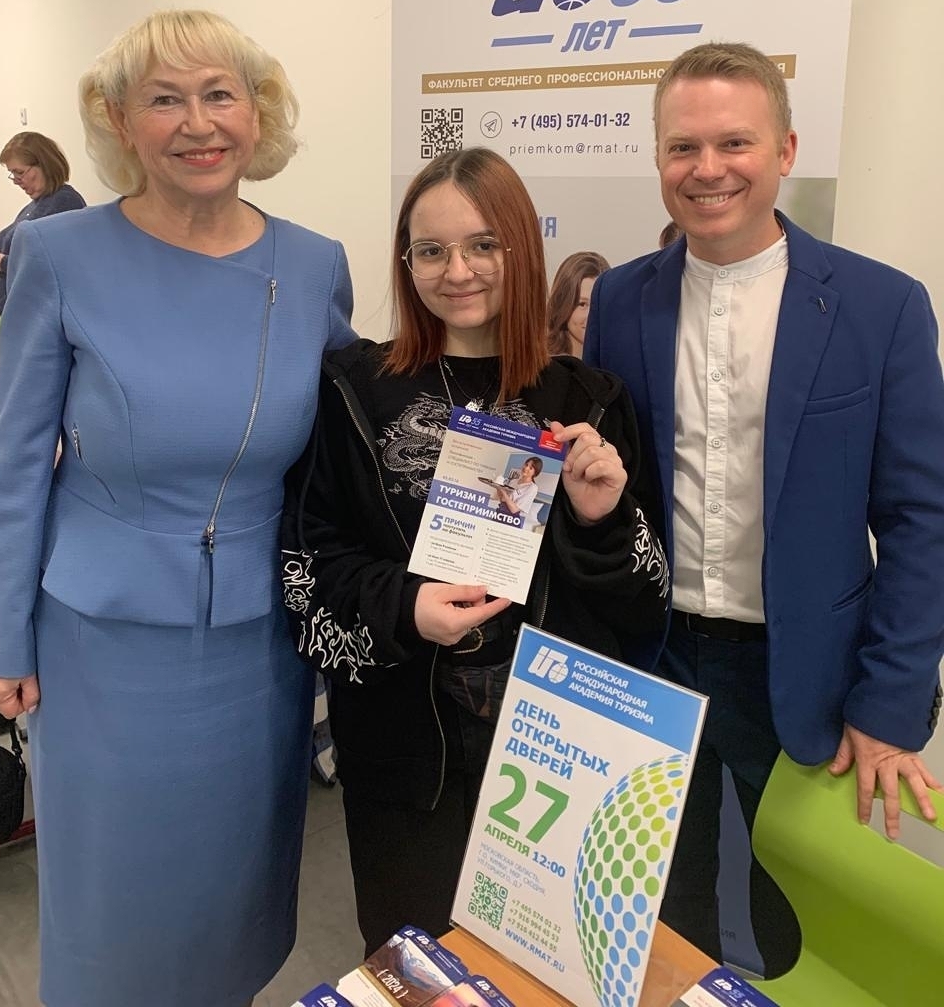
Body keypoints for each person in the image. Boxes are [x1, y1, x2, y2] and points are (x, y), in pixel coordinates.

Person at [0, 9, 354, 1007]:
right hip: (99, 642)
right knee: (116, 905)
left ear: (257, 111)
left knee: (231, 896)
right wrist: (1, 638)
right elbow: (16, 461)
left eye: (220, 94)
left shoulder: (314, 264)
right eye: (164, 99)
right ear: (120, 120)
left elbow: (345, 448)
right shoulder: (59, 254)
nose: (198, 123)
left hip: (260, 643)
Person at [585, 41, 944, 975]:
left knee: (797, 921)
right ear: (658, 157)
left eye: (733, 142)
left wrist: (892, 701)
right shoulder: (620, 300)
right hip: (657, 661)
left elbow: (923, 519)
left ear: (784, 150)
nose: (707, 169)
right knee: (662, 904)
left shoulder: (881, 306)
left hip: (807, 676)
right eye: (683, 147)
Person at [281, 146, 669, 953]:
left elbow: (646, 603)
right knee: (418, 962)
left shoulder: (587, 399)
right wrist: (405, 607)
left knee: (552, 964)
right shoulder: (353, 388)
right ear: (406, 262)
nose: (457, 271)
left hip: (556, 755)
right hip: (405, 749)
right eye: (431, 250)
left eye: (483, 244)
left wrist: (602, 517)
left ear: (521, 248)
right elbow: (306, 568)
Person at [0, 132, 86, 314]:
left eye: (20, 172)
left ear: (45, 164)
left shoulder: (65, 202)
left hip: (39, 318)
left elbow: (57, 266)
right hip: (20, 316)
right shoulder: (37, 205)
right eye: (12, 174)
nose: (16, 181)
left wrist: (3, 263)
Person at [545, 249, 610, 356]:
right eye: (582, 304)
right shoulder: (542, 364)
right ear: (563, 304)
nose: (591, 315)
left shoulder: (619, 360)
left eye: (598, 303)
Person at [488, 454, 541, 527]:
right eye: (526, 464)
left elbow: (514, 510)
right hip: (499, 514)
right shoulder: (514, 481)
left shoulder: (532, 488)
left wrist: (503, 491)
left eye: (530, 468)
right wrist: (497, 487)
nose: (526, 468)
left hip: (511, 520)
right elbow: (502, 499)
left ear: (535, 473)